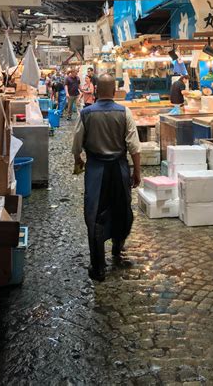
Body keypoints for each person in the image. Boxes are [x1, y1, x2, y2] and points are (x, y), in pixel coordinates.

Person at [72, 74, 141, 282]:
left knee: (94, 215)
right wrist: (137, 170)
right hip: (119, 168)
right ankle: (117, 252)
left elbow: (77, 143)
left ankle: (98, 265)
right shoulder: (124, 112)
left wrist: (79, 159)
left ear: (95, 90)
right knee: (122, 210)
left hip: (95, 171)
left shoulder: (86, 113)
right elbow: (134, 145)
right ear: (113, 91)